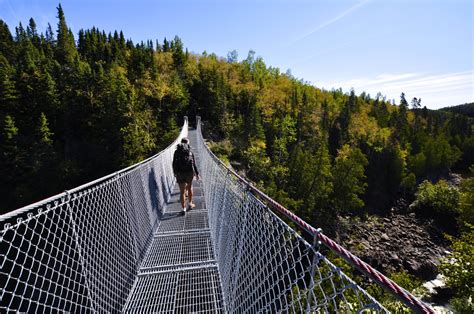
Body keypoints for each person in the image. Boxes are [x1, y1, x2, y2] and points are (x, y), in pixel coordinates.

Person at [172, 137, 200, 214]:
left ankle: (183, 208)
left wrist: (175, 172)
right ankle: (190, 204)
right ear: (187, 143)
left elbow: (174, 163)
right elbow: (194, 164)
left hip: (180, 173)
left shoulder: (176, 152)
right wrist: (197, 174)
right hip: (189, 173)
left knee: (182, 192)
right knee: (190, 187)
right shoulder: (190, 151)